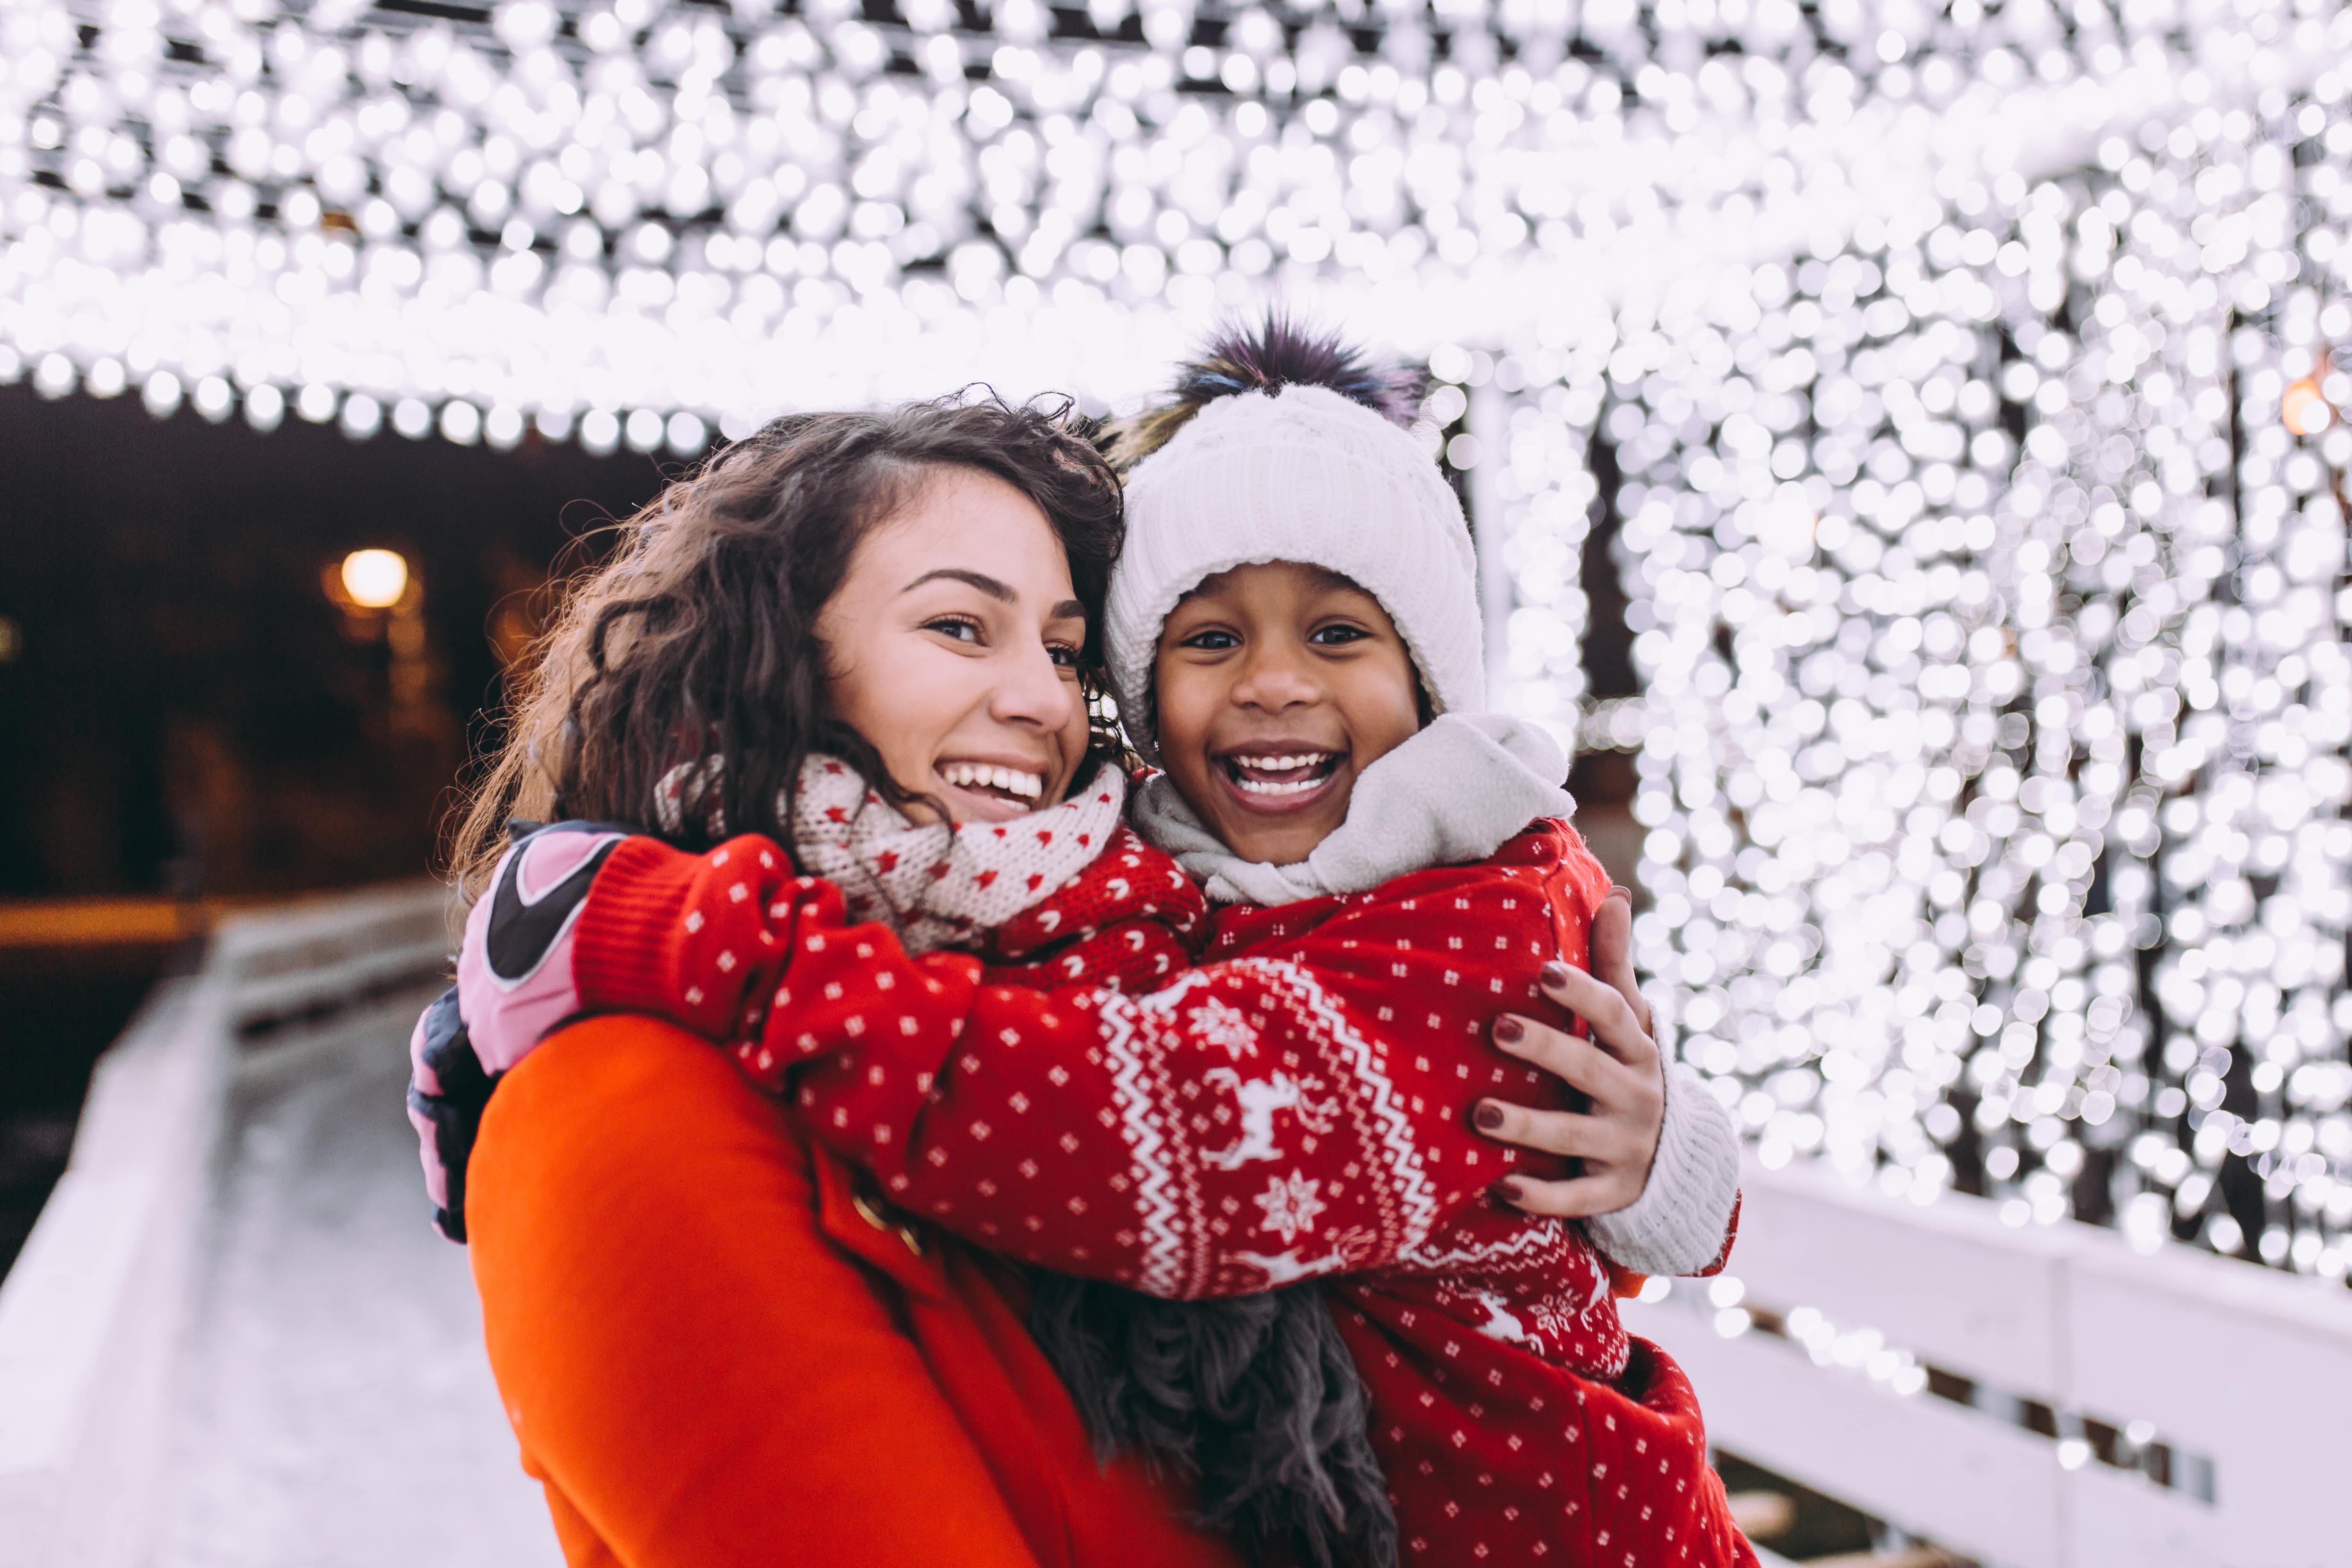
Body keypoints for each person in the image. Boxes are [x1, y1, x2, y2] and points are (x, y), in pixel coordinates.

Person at [437, 322, 1754, 1566]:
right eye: (961, 626)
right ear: (775, 655)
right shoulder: (627, 1102)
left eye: (1064, 651)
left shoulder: (1148, 942)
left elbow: (1187, 1129)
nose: (1036, 701)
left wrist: (1662, 1155)